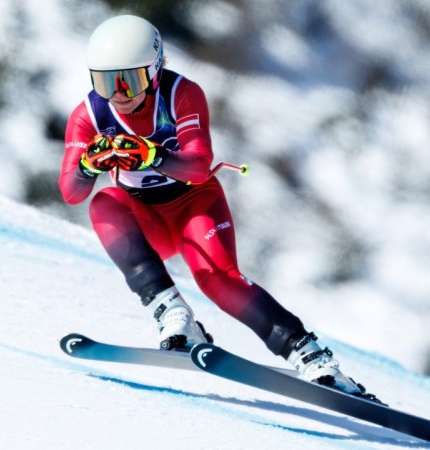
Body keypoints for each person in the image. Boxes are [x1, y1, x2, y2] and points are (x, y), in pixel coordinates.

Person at [60, 14, 377, 401]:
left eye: (130, 79)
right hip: (148, 219)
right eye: (106, 81)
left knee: (218, 279)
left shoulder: (181, 94)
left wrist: (152, 155)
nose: (119, 94)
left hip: (194, 205)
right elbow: (72, 192)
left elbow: (196, 165)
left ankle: (311, 356)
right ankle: (172, 312)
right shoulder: (89, 115)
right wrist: (88, 165)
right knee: (104, 203)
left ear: (155, 70)